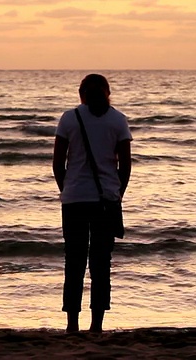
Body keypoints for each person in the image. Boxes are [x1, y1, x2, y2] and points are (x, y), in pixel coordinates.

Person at [52, 74, 132, 333]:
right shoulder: (118, 120)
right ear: (108, 93)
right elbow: (125, 165)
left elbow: (58, 164)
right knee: (101, 264)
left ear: (81, 94)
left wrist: (68, 190)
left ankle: (72, 325)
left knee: (73, 262)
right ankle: (96, 325)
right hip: (105, 202)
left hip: (74, 200)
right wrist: (116, 193)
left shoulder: (69, 118)